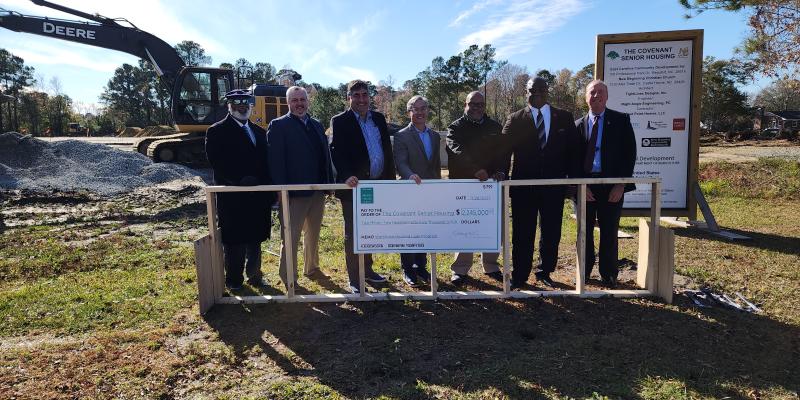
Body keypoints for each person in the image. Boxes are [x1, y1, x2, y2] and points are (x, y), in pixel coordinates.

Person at [502, 77, 581, 289]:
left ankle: (545, 271)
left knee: (551, 231)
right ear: (525, 92)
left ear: (548, 91)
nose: (537, 93)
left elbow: (574, 152)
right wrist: (501, 172)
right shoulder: (515, 119)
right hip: (523, 189)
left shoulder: (564, 118)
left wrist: (572, 182)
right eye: (532, 89)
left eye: (541, 89)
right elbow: (503, 151)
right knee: (522, 233)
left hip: (554, 187)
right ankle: (520, 275)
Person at [204, 89, 275, 290]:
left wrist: (266, 188)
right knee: (235, 241)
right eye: (237, 103)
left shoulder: (260, 132)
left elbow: (266, 163)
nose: (242, 106)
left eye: (246, 102)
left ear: (251, 105)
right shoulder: (216, 131)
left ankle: (254, 275)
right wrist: (239, 181)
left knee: (255, 238)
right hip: (233, 197)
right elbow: (216, 161)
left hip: (258, 197)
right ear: (229, 105)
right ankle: (234, 280)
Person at [330, 79, 395, 294]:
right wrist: (347, 175)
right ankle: (355, 278)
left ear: (370, 97)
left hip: (378, 186)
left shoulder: (378, 118)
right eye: (356, 95)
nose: (361, 99)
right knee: (354, 232)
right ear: (349, 98)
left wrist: (390, 182)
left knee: (371, 230)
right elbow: (336, 152)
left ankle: (367, 269)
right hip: (355, 188)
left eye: (364, 95)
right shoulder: (340, 121)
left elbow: (386, 150)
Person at [267, 86, 334, 290]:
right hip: (293, 193)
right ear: (288, 103)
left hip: (317, 191)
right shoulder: (278, 125)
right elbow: (275, 161)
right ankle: (289, 277)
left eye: (302, 99)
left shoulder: (316, 124)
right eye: (294, 100)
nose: (299, 104)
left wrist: (328, 184)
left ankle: (311, 267)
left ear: (308, 101)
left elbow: (325, 156)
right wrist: (280, 191)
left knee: (313, 232)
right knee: (291, 236)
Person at [575, 80, 637, 287]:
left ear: (607, 97)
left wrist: (621, 185)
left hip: (612, 186)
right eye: (592, 92)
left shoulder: (621, 121)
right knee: (584, 232)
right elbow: (570, 159)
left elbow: (630, 155)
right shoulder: (577, 125)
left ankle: (609, 273)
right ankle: (583, 271)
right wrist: (579, 186)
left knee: (609, 231)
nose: (596, 95)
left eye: (601, 92)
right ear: (586, 97)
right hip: (586, 187)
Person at [445, 91, 507, 285]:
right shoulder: (455, 127)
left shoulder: (495, 127)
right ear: (466, 105)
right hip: (466, 187)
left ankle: (491, 265)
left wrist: (500, 171)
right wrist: (475, 170)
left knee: (493, 226)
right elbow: (456, 150)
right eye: (473, 104)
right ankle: (460, 269)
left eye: (480, 104)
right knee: (465, 227)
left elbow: (503, 153)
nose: (477, 108)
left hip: (491, 187)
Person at [393, 95, 440, 287]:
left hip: (430, 191)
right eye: (415, 108)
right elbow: (401, 162)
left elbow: (435, 165)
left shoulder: (435, 136)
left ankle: (421, 266)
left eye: (423, 108)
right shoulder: (401, 135)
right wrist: (410, 175)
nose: (420, 112)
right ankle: (408, 269)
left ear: (428, 110)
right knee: (409, 230)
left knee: (424, 229)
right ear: (408, 112)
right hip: (410, 189)